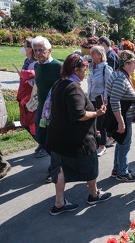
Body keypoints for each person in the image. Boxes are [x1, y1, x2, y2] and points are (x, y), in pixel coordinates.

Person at [46, 54, 111, 215]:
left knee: (60, 169)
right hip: (78, 139)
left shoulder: (59, 83)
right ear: (76, 69)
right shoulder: (73, 87)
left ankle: (59, 203)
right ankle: (94, 194)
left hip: (58, 137)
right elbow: (79, 114)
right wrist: (96, 113)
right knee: (90, 165)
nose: (86, 73)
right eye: (84, 69)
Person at [32, 36, 62, 182]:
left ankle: (56, 168)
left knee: (53, 140)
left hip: (55, 111)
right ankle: (59, 162)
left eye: (41, 50)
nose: (38, 53)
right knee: (40, 137)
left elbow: (68, 85)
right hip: (41, 109)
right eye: (35, 50)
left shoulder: (58, 66)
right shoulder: (37, 66)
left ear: (49, 50)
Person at [105, 50, 135, 182]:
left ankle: (118, 168)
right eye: (133, 63)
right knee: (125, 144)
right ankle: (122, 172)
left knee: (121, 142)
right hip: (122, 117)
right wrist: (121, 122)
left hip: (123, 116)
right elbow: (114, 100)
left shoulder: (120, 75)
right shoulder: (120, 78)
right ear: (126, 64)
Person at [16, 37, 44, 157]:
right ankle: (41, 142)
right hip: (25, 96)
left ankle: (43, 144)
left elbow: (36, 83)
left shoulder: (34, 64)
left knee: (33, 123)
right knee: (27, 123)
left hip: (32, 97)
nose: (23, 48)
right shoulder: (27, 62)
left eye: (25, 46)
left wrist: (26, 77)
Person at [88, 45, 114, 156]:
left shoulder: (105, 68)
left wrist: (105, 100)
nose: (91, 55)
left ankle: (102, 146)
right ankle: (102, 140)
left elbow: (108, 86)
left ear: (100, 55)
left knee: (101, 123)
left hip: (101, 100)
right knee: (93, 122)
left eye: (94, 53)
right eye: (91, 53)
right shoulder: (92, 67)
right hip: (91, 98)